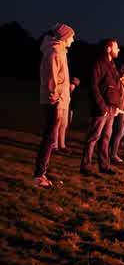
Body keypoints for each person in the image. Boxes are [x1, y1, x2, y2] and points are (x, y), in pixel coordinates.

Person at [33, 23, 74, 188]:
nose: (73, 39)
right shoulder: (55, 52)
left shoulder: (60, 51)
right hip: (54, 102)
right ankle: (39, 175)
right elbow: (52, 82)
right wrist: (56, 100)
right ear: (64, 37)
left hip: (58, 101)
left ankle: (43, 171)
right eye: (71, 36)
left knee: (50, 139)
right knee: (49, 139)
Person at [82, 39, 123, 177]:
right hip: (102, 108)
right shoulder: (99, 63)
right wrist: (102, 106)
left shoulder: (112, 65)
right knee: (94, 136)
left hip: (111, 107)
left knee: (106, 137)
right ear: (108, 49)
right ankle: (86, 166)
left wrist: (116, 105)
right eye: (116, 47)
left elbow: (114, 87)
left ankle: (104, 165)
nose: (118, 50)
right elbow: (94, 86)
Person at [57, 77, 80, 153]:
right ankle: (55, 145)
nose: (72, 86)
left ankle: (62, 144)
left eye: (74, 85)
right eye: (72, 84)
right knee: (58, 126)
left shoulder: (74, 91)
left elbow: (73, 102)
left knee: (64, 125)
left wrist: (71, 111)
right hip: (62, 104)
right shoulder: (66, 86)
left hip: (68, 106)